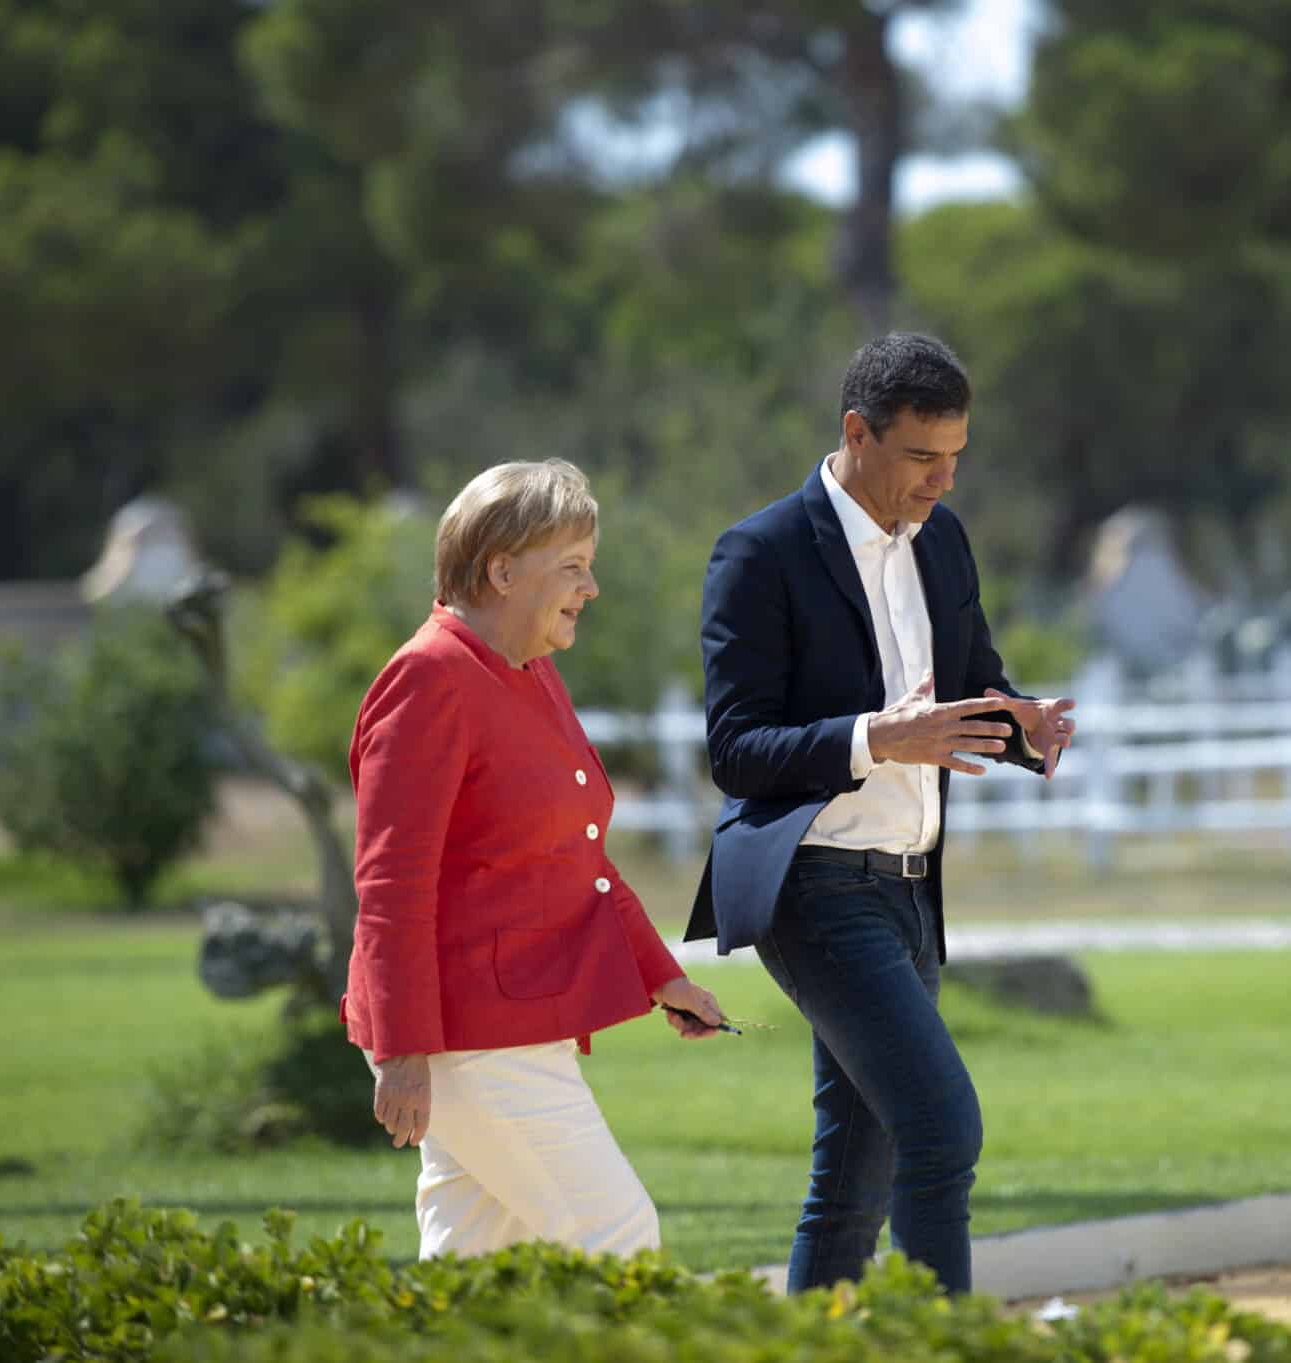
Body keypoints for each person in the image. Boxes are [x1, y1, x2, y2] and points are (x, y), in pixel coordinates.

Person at [686, 333, 1077, 1296]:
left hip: (912, 895)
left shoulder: (941, 539)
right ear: (856, 432)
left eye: (956, 458)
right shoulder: (759, 552)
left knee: (855, 1177)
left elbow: (971, 682)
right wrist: (875, 738)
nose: (942, 481)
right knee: (941, 1129)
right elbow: (735, 751)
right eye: (921, 457)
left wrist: (1021, 723)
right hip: (812, 886)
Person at [342, 458, 728, 1261]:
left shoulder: (529, 670)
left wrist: (664, 975)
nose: (591, 589)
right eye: (574, 567)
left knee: (477, 1278)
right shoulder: (429, 676)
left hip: (512, 1026)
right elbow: (390, 886)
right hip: (471, 1038)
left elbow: (580, 854)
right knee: (620, 1238)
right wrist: (402, 1051)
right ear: (503, 569)